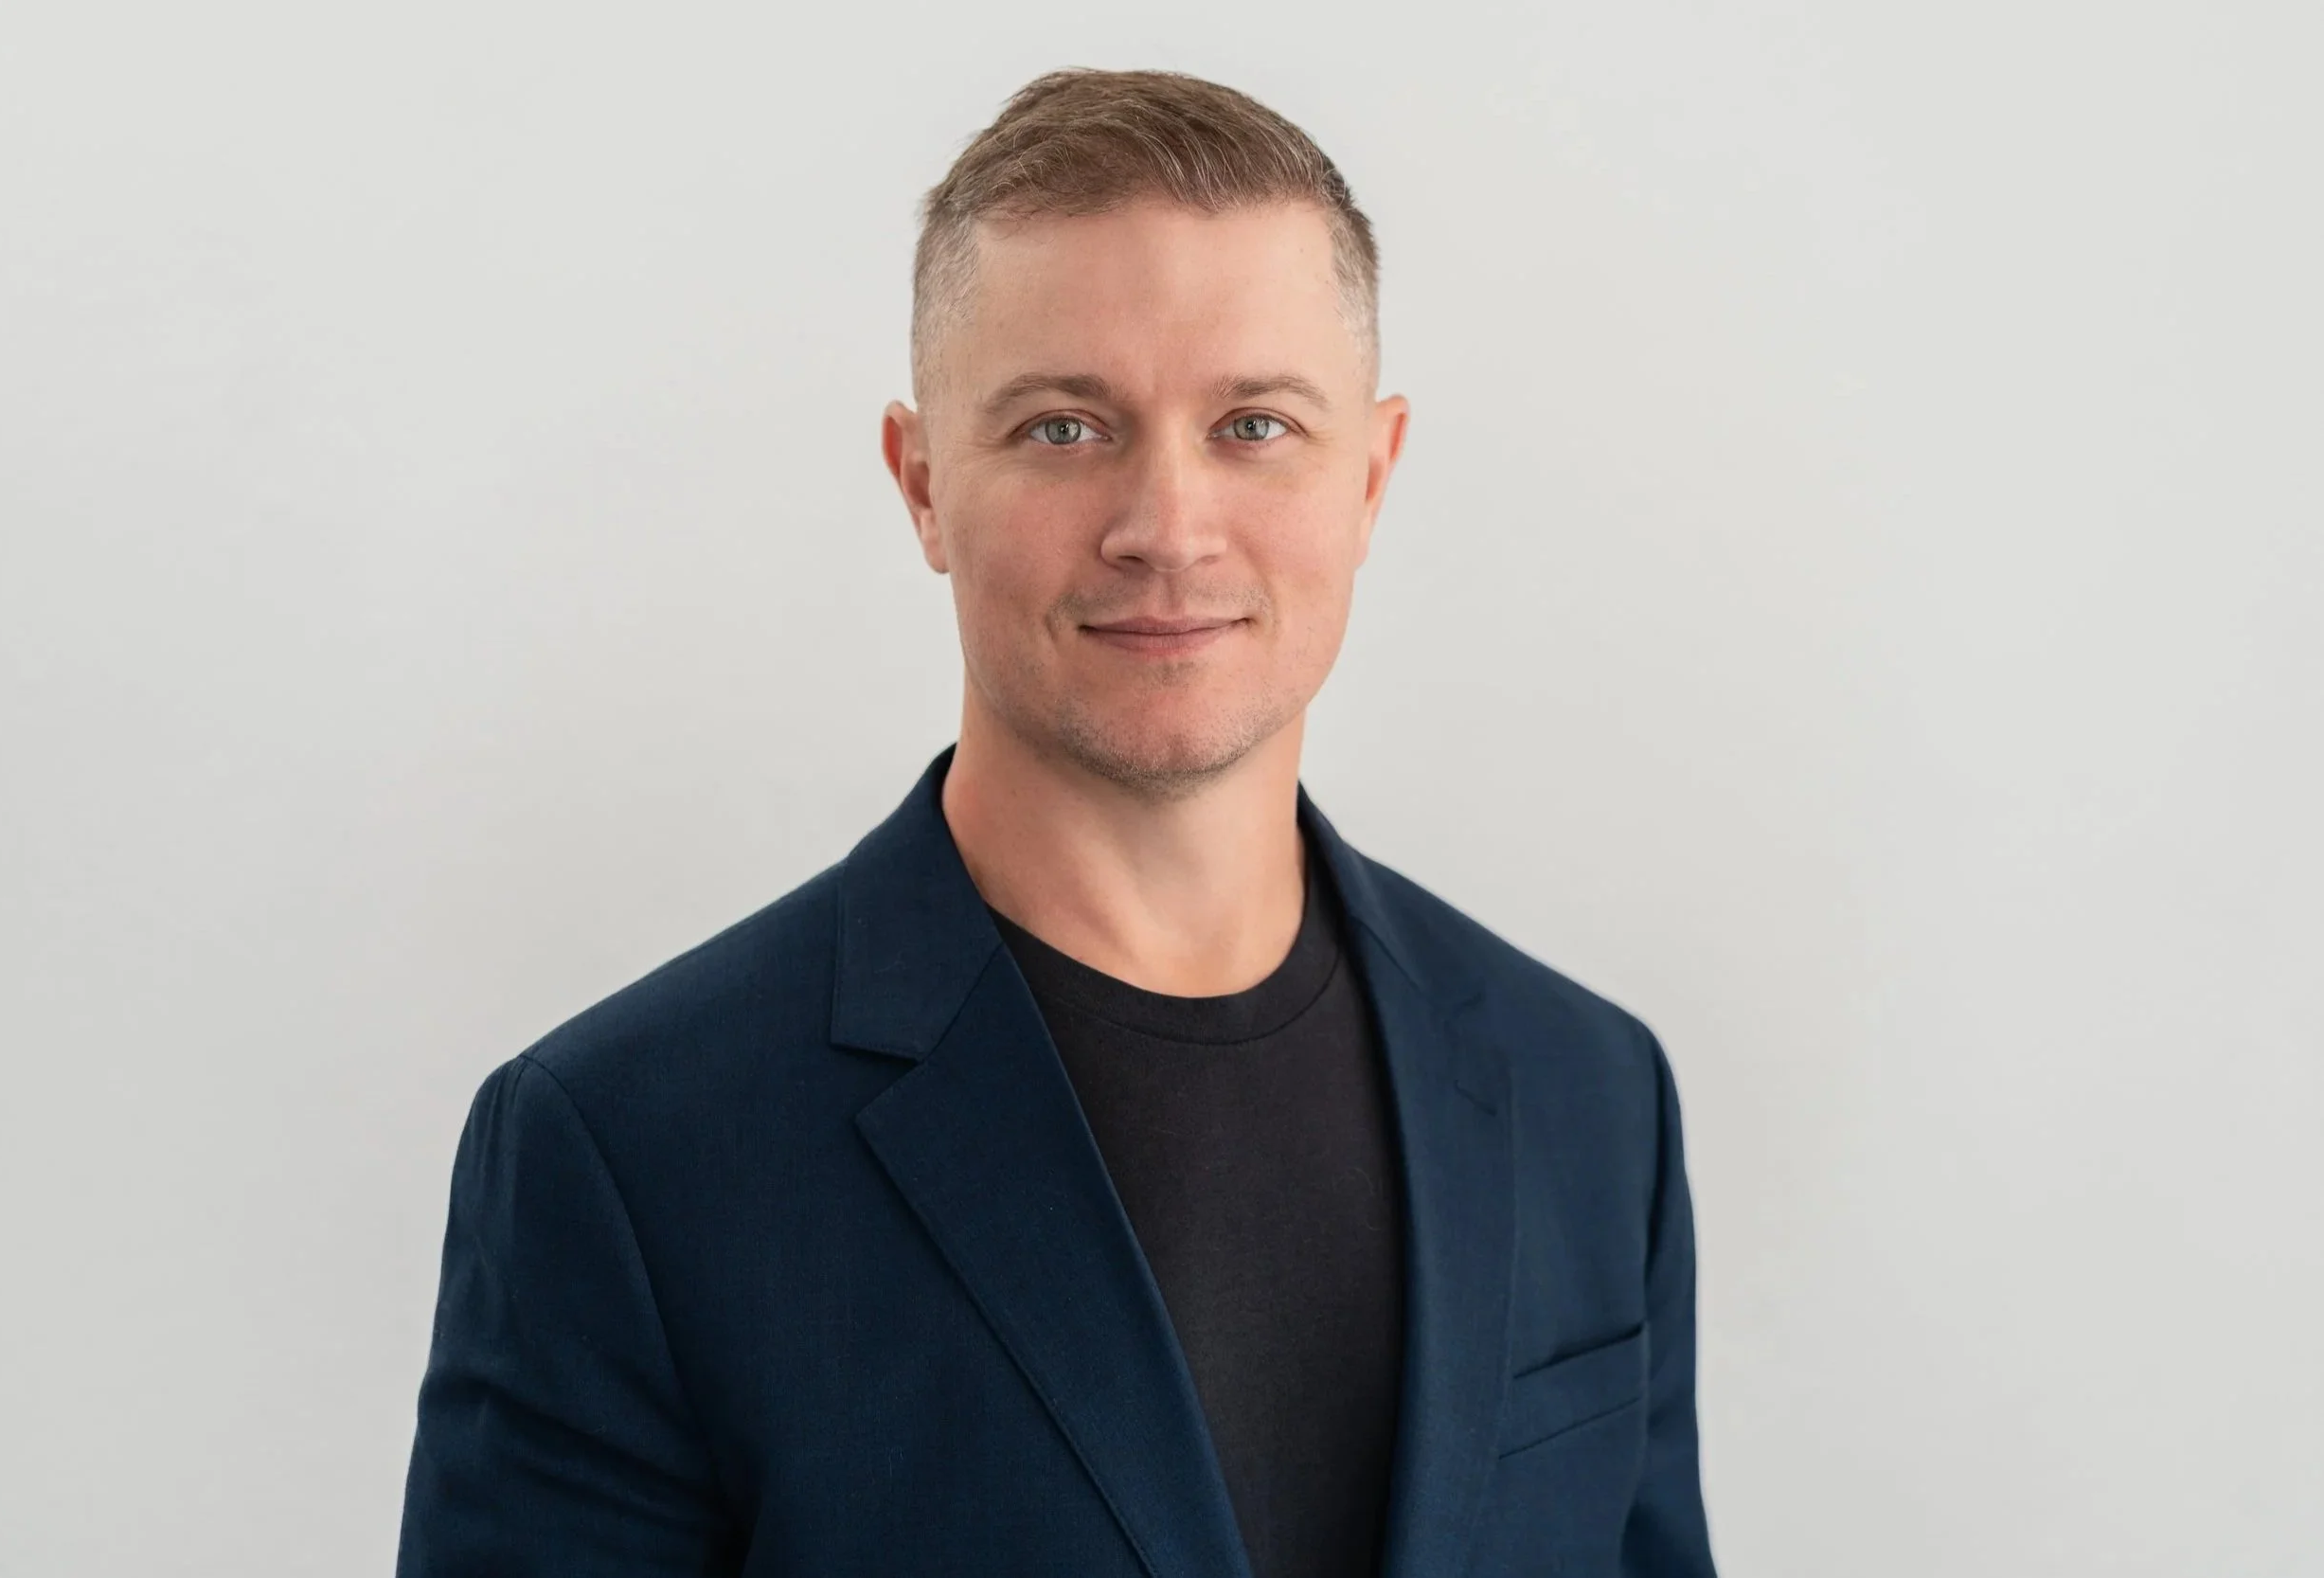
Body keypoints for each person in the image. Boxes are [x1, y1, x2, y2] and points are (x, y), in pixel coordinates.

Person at [395, 66, 1716, 1578]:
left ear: (1372, 473)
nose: (1167, 524)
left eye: (1255, 424)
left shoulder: (1589, 1096)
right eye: (1065, 429)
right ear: (922, 484)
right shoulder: (624, 1149)